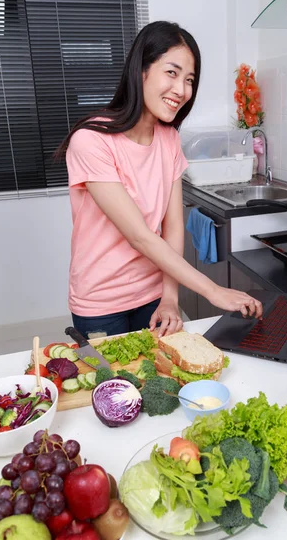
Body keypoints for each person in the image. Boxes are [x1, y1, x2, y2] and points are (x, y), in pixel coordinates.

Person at [56, 20, 263, 339]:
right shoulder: (92, 140)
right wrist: (212, 290)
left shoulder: (168, 140)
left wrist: (170, 297)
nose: (181, 90)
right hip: (101, 302)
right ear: (141, 70)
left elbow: (172, 226)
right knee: (116, 387)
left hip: (152, 294)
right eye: (172, 72)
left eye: (189, 79)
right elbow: (139, 235)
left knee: (157, 382)